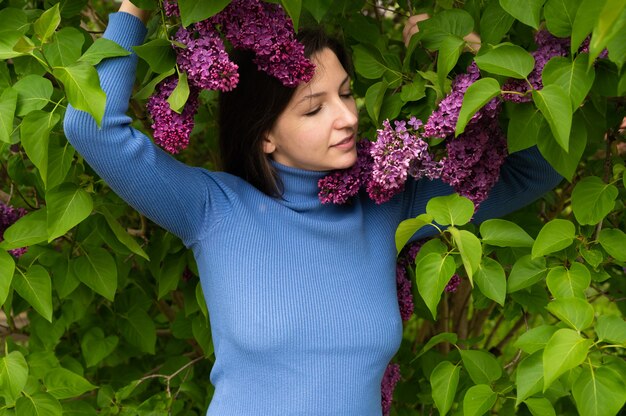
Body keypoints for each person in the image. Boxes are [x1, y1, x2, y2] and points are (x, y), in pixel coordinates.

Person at [63, 1, 562, 415]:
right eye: (314, 107)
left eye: (346, 93)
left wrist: (479, 59)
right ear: (264, 135)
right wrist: (135, 9)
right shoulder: (213, 210)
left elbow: (538, 167)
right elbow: (92, 127)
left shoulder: (389, 204)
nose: (347, 117)